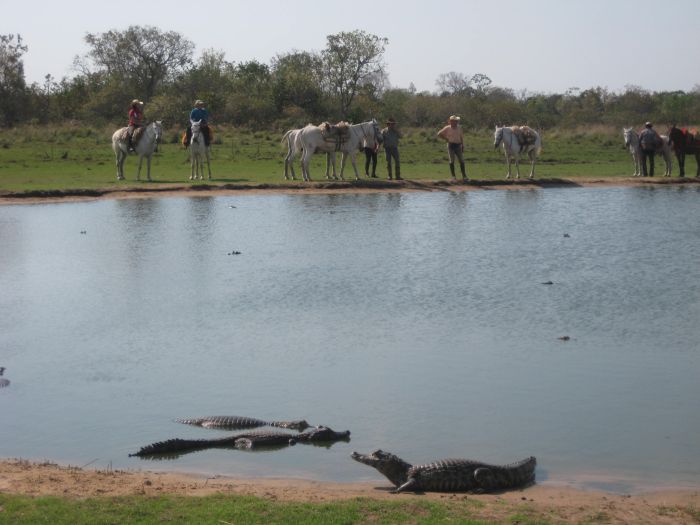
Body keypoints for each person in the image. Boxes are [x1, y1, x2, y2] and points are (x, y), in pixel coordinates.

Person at [437, 115, 468, 180]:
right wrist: (446, 139)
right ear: (451, 121)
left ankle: (464, 176)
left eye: (457, 121)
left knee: (461, 160)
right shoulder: (447, 128)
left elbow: (461, 137)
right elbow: (439, 134)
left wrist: (462, 145)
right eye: (455, 121)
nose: (456, 122)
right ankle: (453, 176)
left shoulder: (459, 128)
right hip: (451, 145)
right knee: (452, 161)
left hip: (458, 145)